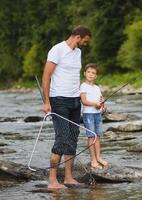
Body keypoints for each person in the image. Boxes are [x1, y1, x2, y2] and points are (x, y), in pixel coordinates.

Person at [42, 25, 91, 189]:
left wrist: (83, 95)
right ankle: (52, 181)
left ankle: (69, 178)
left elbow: (75, 77)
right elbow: (46, 77)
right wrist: (46, 102)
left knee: (72, 137)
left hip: (75, 101)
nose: (85, 43)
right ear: (78, 37)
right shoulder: (57, 50)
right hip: (59, 100)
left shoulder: (78, 52)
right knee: (62, 137)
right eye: (85, 40)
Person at [80, 63, 108, 170]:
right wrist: (95, 104)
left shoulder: (97, 87)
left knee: (98, 136)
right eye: (89, 72)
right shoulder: (83, 86)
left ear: (95, 76)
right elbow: (84, 101)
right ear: (85, 73)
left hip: (97, 114)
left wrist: (102, 104)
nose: (91, 74)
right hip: (88, 115)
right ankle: (93, 159)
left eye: (93, 73)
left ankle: (98, 157)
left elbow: (100, 99)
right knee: (91, 136)